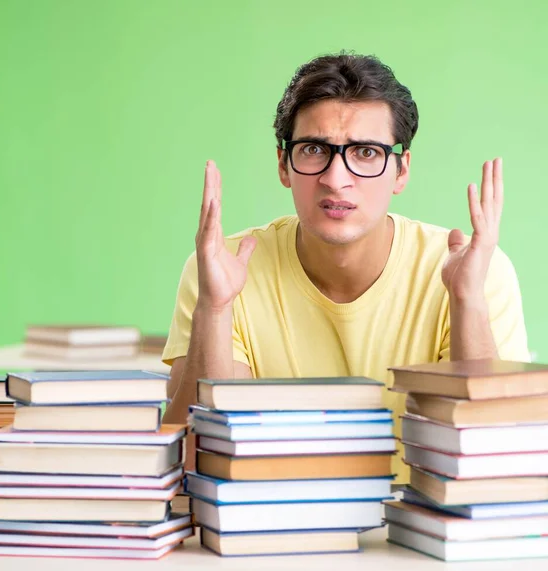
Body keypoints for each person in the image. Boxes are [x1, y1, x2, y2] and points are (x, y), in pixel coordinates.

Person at [161, 52, 529, 481]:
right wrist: (215, 310)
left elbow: (493, 457)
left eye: (367, 152)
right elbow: (199, 458)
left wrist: (467, 302)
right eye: (314, 149)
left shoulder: (473, 272)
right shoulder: (223, 269)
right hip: (272, 529)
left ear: (401, 170)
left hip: (417, 533)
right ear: (283, 164)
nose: (337, 179)